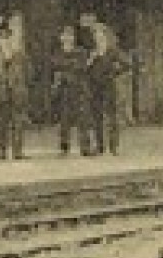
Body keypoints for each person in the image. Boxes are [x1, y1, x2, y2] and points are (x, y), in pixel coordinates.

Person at [0, 17, 30, 160]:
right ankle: (0, 151)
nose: (5, 42)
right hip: (1, 95)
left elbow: (29, 75)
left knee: (18, 123)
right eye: (2, 40)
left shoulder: (20, 57)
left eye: (8, 39)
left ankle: (17, 151)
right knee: (2, 124)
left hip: (17, 94)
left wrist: (23, 89)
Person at [79, 13, 124, 156]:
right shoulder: (92, 53)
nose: (98, 38)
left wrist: (115, 71)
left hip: (109, 86)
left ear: (105, 36)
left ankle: (113, 146)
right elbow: (84, 69)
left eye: (100, 35)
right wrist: (91, 60)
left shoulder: (112, 52)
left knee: (111, 116)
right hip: (94, 87)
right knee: (96, 116)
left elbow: (126, 64)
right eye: (96, 36)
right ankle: (100, 146)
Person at [50, 25, 90, 156]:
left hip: (79, 89)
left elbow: (81, 66)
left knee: (83, 119)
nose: (67, 38)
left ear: (74, 38)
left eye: (70, 36)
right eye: (65, 36)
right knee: (64, 120)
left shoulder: (81, 52)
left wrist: (65, 67)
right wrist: (70, 65)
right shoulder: (57, 53)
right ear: (61, 38)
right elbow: (55, 65)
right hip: (64, 90)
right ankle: (64, 147)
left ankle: (85, 148)